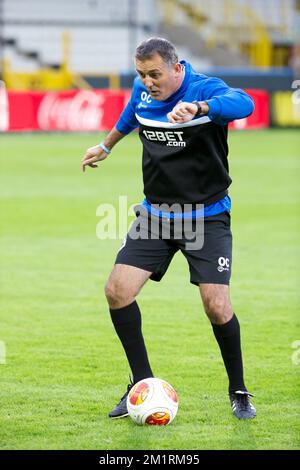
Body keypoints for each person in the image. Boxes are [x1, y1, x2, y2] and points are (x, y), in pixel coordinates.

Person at [82, 37, 256, 420]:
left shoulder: (203, 89)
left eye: (155, 74)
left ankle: (239, 389)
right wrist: (107, 146)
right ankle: (141, 385)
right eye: (142, 74)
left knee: (217, 305)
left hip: (206, 217)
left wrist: (201, 107)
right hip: (156, 216)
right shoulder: (144, 89)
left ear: (177, 68)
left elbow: (246, 102)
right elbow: (132, 112)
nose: (148, 81)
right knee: (117, 291)